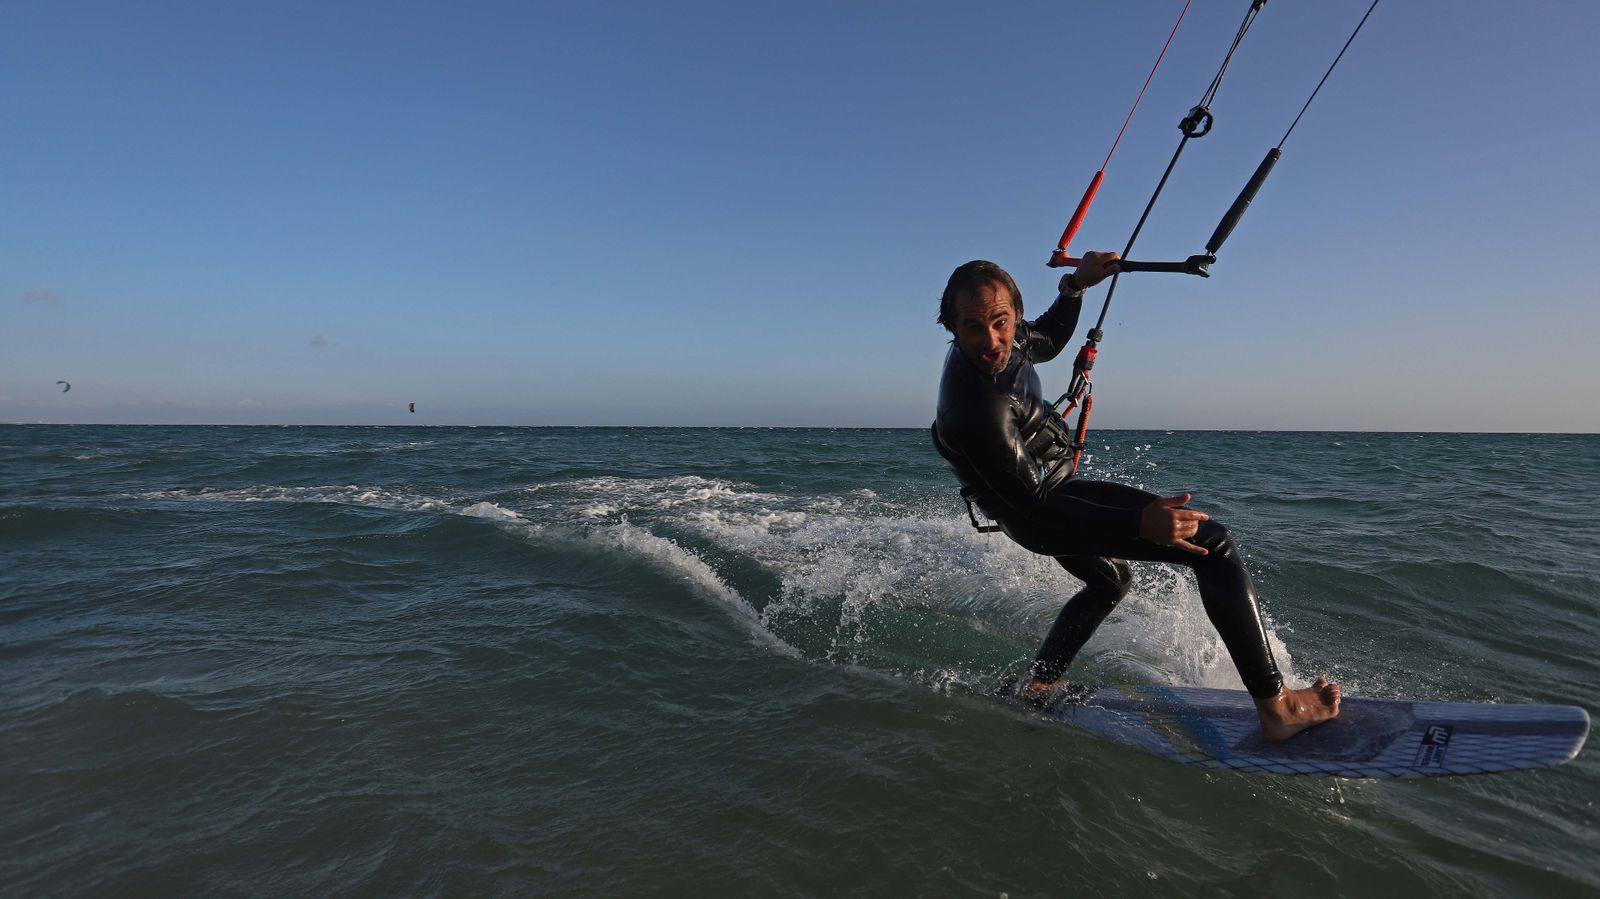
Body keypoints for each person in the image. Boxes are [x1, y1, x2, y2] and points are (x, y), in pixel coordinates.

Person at [931, 255, 1340, 741]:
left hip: (1054, 491)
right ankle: (1278, 708)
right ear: (953, 328)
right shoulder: (975, 411)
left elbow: (1048, 339)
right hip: (1041, 512)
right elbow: (1037, 511)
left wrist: (1075, 286)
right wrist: (1137, 526)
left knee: (1110, 581)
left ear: (1014, 314)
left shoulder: (1007, 338)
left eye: (1001, 322)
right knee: (1214, 545)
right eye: (974, 328)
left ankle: (1039, 686)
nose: (992, 340)